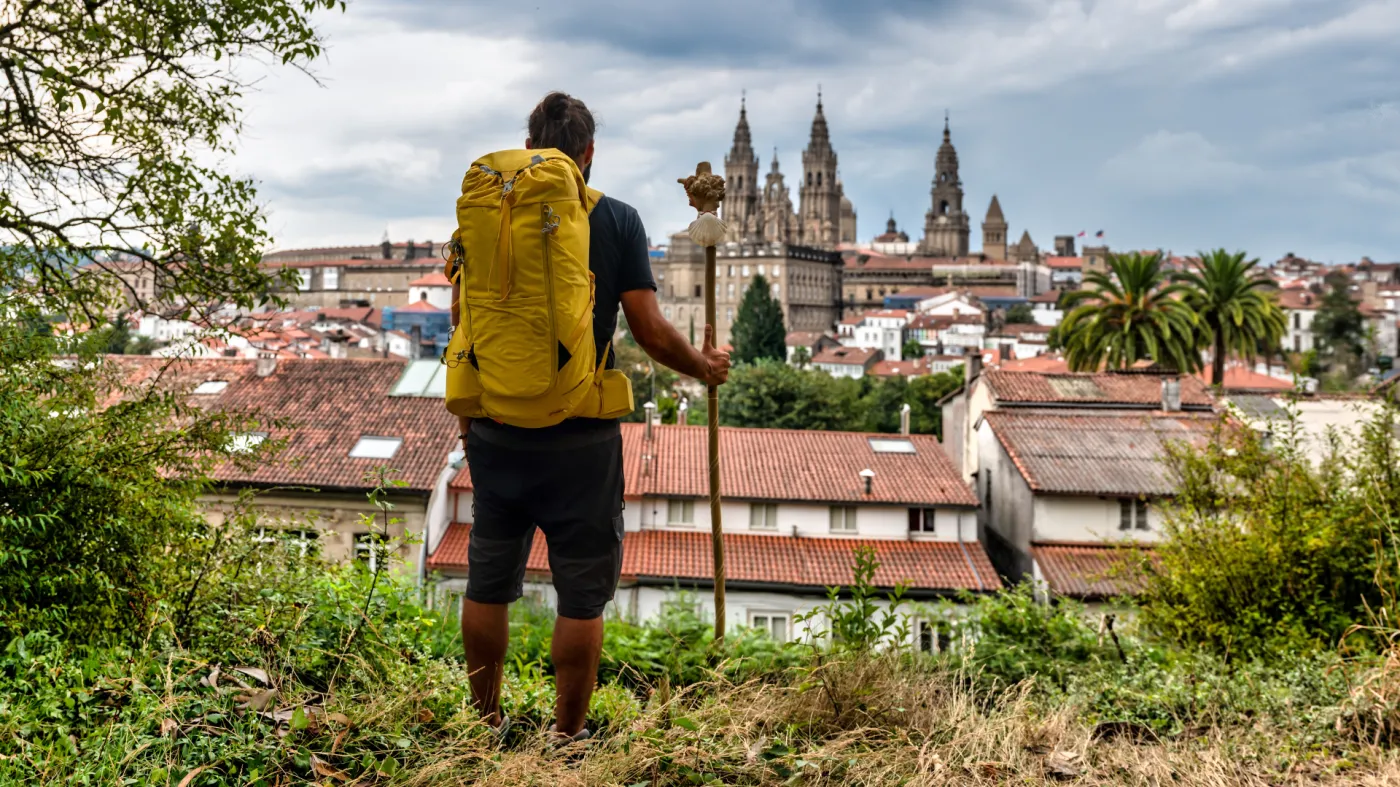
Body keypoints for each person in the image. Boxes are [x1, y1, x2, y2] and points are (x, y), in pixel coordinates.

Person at [455, 91, 731, 742]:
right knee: (581, 595)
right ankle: (567, 736)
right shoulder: (617, 219)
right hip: (581, 437)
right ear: (589, 153)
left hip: (497, 424)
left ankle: (486, 725)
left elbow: (465, 323)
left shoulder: (486, 212)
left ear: (529, 149)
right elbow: (650, 331)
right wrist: (703, 367)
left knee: (487, 584)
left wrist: (470, 424)